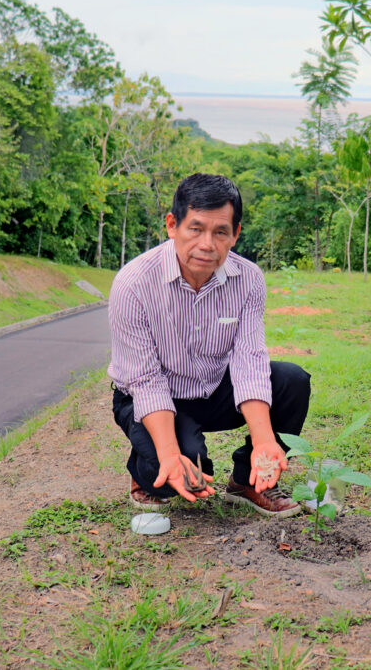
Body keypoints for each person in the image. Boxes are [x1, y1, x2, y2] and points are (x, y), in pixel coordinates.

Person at [108, 173, 310, 518]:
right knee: (178, 470)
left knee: (292, 380)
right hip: (150, 396)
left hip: (214, 388)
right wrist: (171, 454)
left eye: (220, 232)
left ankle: (247, 482)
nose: (207, 244)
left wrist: (265, 441)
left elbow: (249, 361)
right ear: (173, 225)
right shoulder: (134, 284)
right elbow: (145, 380)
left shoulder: (248, 279)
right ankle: (144, 476)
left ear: (235, 234)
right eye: (196, 229)